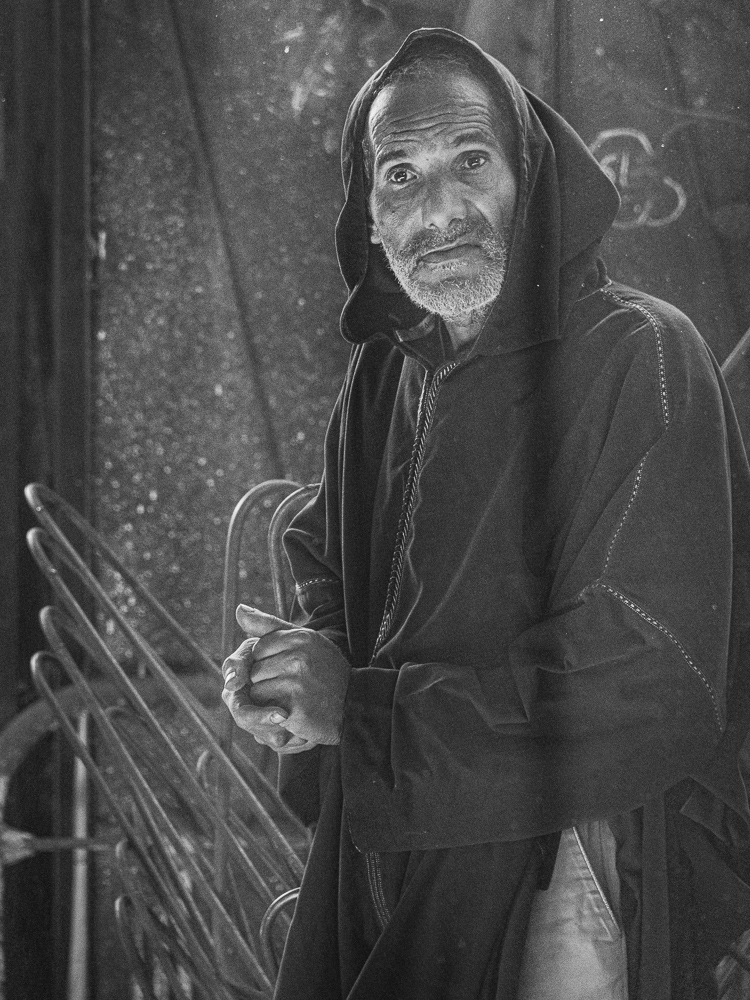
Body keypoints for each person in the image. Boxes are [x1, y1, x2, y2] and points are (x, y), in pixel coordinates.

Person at [222, 26, 750, 1000]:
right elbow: (330, 558)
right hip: (388, 868)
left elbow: (648, 679)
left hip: (562, 883)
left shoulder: (640, 356)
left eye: (471, 161)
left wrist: (362, 714)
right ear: (368, 214)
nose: (440, 209)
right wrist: (303, 670)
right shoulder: (384, 375)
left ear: (530, 178)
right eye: (401, 176)